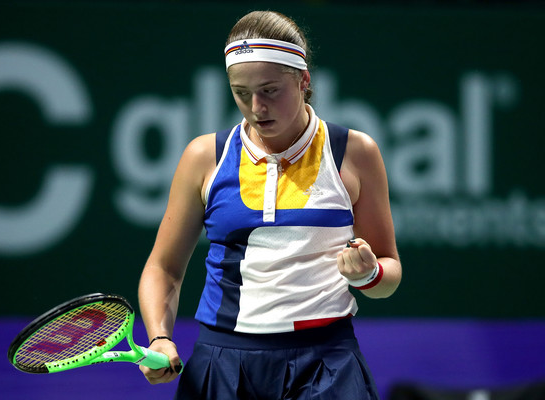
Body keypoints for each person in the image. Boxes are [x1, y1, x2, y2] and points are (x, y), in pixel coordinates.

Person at [138, 10, 402, 399]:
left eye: (270, 90)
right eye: (241, 93)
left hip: (327, 363)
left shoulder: (354, 152)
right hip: (223, 363)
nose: (256, 107)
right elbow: (163, 268)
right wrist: (160, 337)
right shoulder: (205, 156)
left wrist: (368, 275)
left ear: (304, 81)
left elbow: (389, 273)